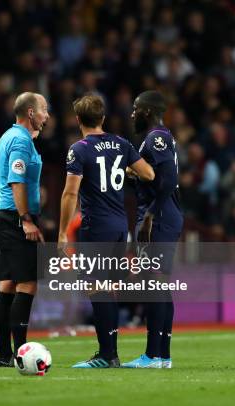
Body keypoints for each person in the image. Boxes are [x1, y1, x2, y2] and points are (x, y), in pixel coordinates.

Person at [57, 93, 154, 369]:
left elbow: (69, 193)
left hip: (95, 226)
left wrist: (63, 232)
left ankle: (107, 354)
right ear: (102, 118)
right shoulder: (121, 143)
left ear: (78, 120)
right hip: (119, 226)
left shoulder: (79, 149)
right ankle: (109, 353)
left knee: (96, 289)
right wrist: (126, 171)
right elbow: (148, 174)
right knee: (107, 288)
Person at [122, 90, 183, 369]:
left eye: (136, 108)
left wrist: (149, 215)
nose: (132, 114)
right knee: (159, 286)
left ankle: (153, 356)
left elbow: (168, 180)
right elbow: (158, 180)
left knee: (153, 286)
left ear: (147, 111)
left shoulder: (155, 137)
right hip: (165, 215)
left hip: (158, 218)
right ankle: (163, 355)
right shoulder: (161, 137)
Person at [0, 92, 49, 367]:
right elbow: (17, 181)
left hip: (6, 217)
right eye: (43, 110)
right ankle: (20, 354)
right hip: (16, 219)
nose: (47, 115)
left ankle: (4, 354)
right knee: (26, 284)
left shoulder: (14, 136)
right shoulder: (20, 140)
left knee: (8, 285)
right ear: (30, 112)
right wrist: (26, 218)